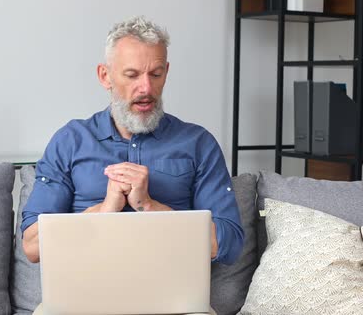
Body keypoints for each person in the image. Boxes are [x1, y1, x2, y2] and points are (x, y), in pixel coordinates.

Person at [21, 16, 243, 267]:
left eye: (156, 74)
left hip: (172, 300)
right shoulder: (70, 141)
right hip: (86, 299)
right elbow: (32, 246)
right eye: (132, 75)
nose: (146, 88)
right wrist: (105, 210)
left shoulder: (198, 143)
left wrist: (149, 206)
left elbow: (230, 244)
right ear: (105, 76)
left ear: (166, 73)